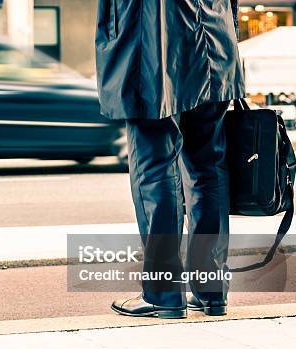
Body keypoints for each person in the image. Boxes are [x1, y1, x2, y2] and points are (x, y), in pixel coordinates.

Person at [95, 0, 245, 318]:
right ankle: (211, 288)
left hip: (149, 44)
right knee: (208, 166)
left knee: (153, 165)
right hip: (213, 41)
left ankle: (163, 292)